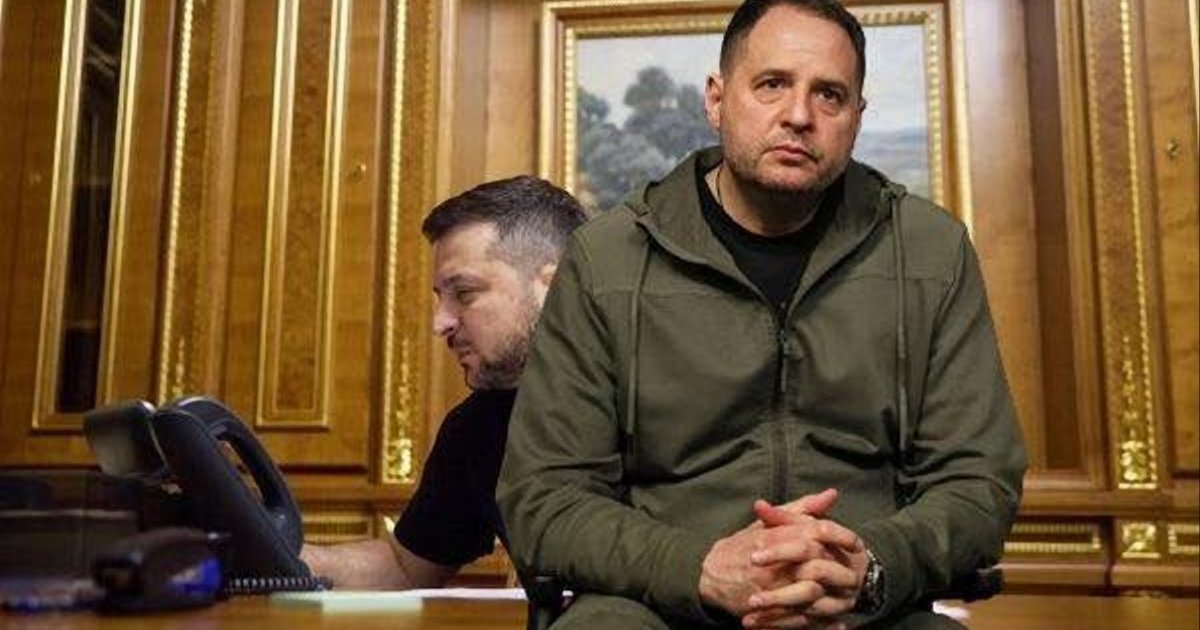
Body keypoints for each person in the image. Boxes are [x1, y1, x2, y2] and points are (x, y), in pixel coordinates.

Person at [497, 1, 1027, 628]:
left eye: (829, 95)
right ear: (716, 100)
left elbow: (978, 481)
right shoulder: (606, 258)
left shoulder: (931, 251)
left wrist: (870, 565)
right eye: (772, 84)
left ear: (857, 118)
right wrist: (697, 568)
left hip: (864, 609)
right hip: (659, 603)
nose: (799, 115)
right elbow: (545, 496)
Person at [301, 176, 587, 589]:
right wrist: (272, 553)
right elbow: (405, 567)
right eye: (441, 297)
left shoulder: (664, 396)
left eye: (465, 293)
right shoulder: (476, 427)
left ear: (555, 285)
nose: (441, 323)